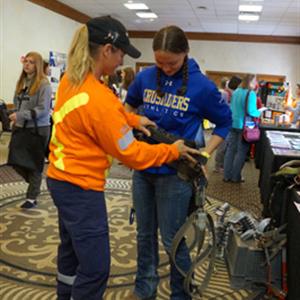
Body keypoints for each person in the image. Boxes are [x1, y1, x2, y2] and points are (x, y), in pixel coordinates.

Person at [46, 16, 200, 300]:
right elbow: (132, 154)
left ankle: (63, 295)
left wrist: (130, 119)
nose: (120, 62)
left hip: (59, 178)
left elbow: (89, 117)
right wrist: (173, 150)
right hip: (81, 189)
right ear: (106, 50)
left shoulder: (72, 78)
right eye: (120, 54)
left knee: (70, 252)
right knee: (95, 269)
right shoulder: (99, 98)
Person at [124, 25, 232, 300]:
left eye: (171, 63)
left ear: (185, 53)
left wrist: (206, 152)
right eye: (159, 62)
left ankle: (181, 294)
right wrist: (133, 123)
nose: (165, 68)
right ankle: (144, 290)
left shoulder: (202, 87)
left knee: (172, 239)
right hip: (143, 167)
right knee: (144, 235)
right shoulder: (146, 76)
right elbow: (127, 106)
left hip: (176, 174)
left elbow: (225, 122)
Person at [9, 51, 52, 209]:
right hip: (20, 127)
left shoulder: (44, 85)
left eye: (31, 62)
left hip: (38, 129)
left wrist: (21, 115)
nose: (27, 64)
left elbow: (43, 109)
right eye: (26, 61)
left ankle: (32, 197)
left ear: (38, 65)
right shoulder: (21, 82)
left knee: (34, 164)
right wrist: (15, 116)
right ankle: (35, 182)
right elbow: (16, 103)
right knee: (15, 161)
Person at [223, 74, 261, 183]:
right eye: (255, 81)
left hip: (233, 123)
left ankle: (226, 176)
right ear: (250, 82)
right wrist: (259, 112)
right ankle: (235, 177)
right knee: (241, 152)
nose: (256, 84)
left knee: (230, 150)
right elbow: (251, 111)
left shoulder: (236, 92)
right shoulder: (251, 94)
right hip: (244, 126)